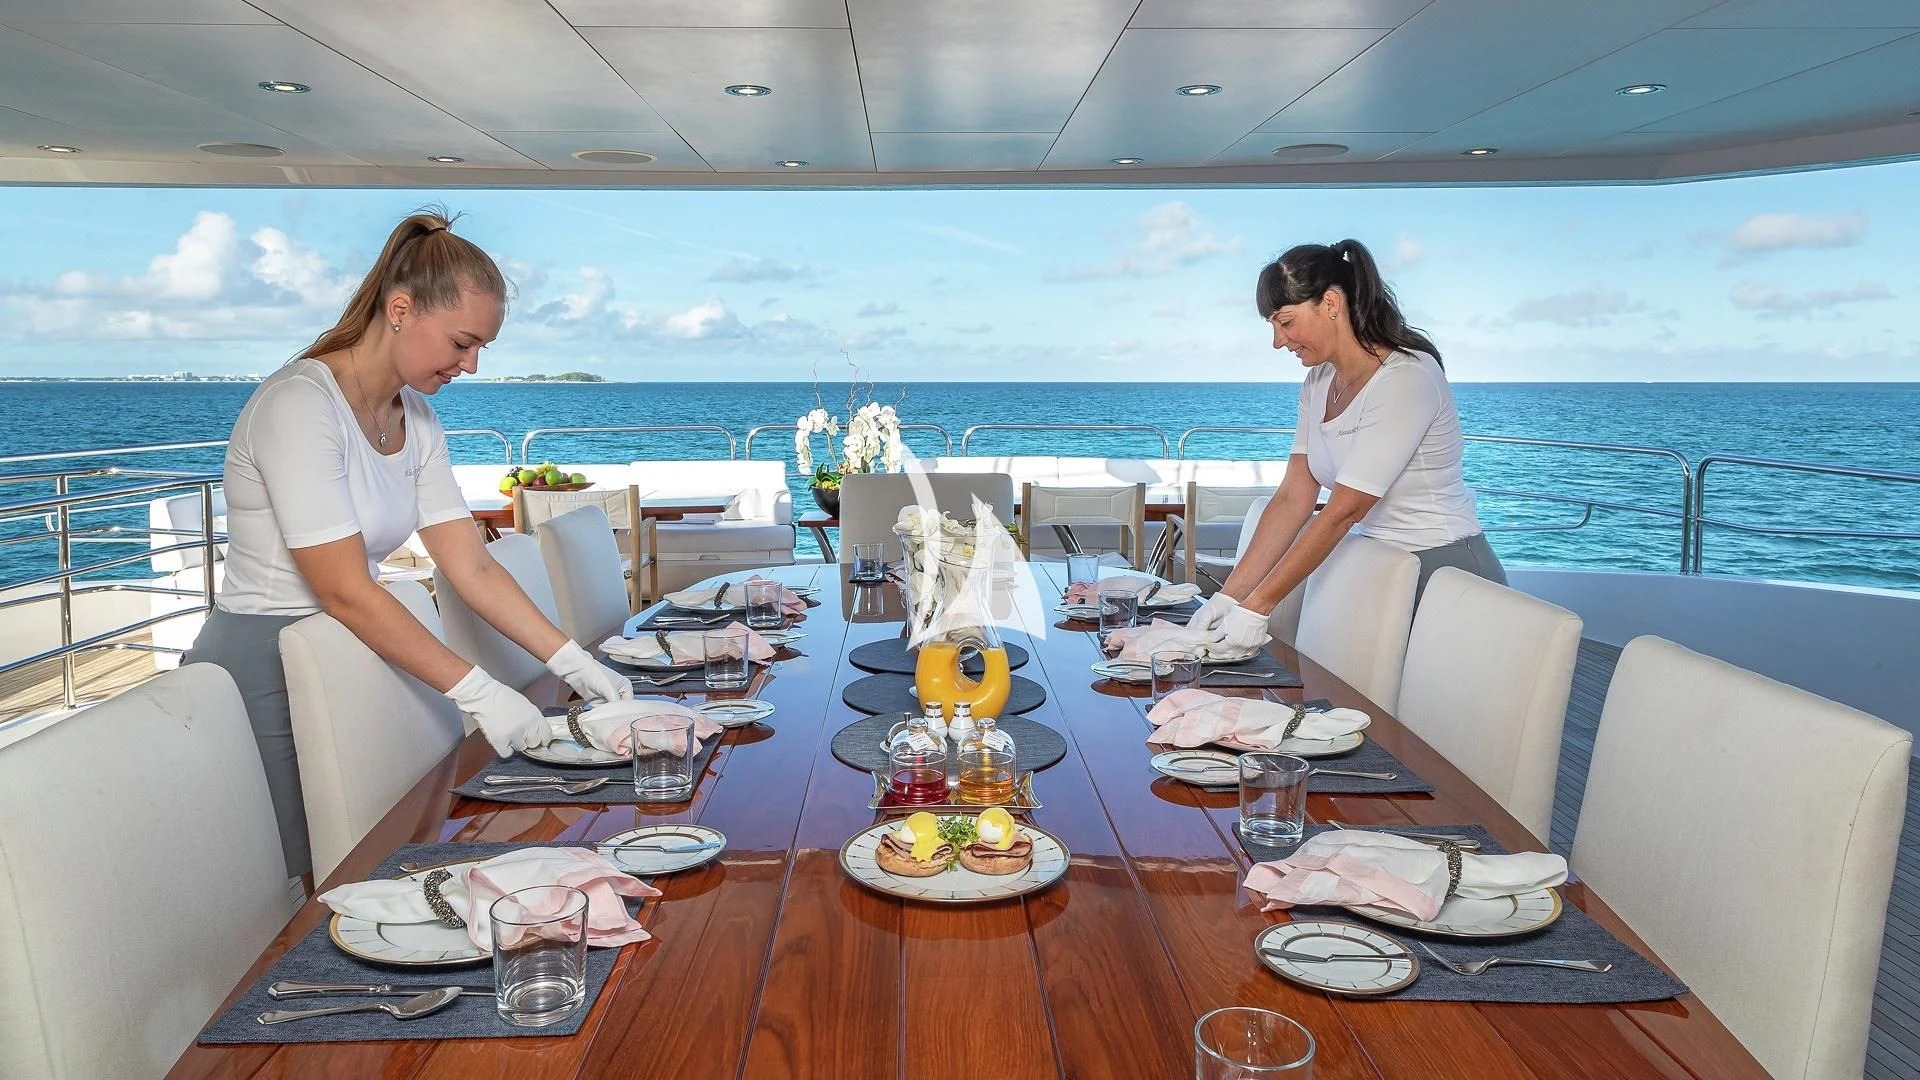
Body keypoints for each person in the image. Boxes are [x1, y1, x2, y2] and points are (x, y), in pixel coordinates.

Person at [183, 210, 631, 886]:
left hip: (348, 649)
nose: (471, 365)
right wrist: (478, 690)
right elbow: (342, 588)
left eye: (480, 348)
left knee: (377, 854)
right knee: (298, 883)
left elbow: (469, 563)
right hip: (263, 664)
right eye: (461, 342)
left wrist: (570, 658)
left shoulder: (415, 418)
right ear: (400, 310)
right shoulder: (299, 406)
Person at [1188, 238, 1505, 652]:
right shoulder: (1318, 382)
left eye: (1285, 322)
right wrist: (1229, 597)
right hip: (1380, 566)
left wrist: (1258, 606)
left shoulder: (1406, 378)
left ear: (1331, 304)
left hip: (1446, 573)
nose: (1278, 341)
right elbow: (1291, 498)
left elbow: (1344, 511)